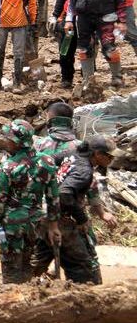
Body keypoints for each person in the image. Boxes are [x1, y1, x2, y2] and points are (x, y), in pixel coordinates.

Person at [33, 102, 116, 283]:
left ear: (50, 120)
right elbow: (89, 185)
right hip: (69, 212)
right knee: (85, 264)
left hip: (40, 212)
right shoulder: (80, 147)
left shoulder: (39, 146)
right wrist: (96, 214)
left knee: (37, 260)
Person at [0, 120, 60, 284]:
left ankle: (15, 303)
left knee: (11, 271)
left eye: (8, 138)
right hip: (35, 225)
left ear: (17, 143)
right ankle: (29, 299)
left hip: (12, 226)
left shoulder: (9, 166)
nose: (5, 141)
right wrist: (53, 227)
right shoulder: (47, 162)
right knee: (28, 266)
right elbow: (53, 197)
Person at [64, 0, 127, 90]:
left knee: (109, 48)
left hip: (106, 17)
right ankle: (88, 80)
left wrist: (122, 21)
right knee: (85, 49)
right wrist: (68, 20)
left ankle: (117, 77)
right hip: (84, 17)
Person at [50, 0, 90, 88]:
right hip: (69, 19)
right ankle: (67, 78)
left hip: (88, 19)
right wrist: (54, 16)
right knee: (65, 50)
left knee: (88, 50)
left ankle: (88, 79)